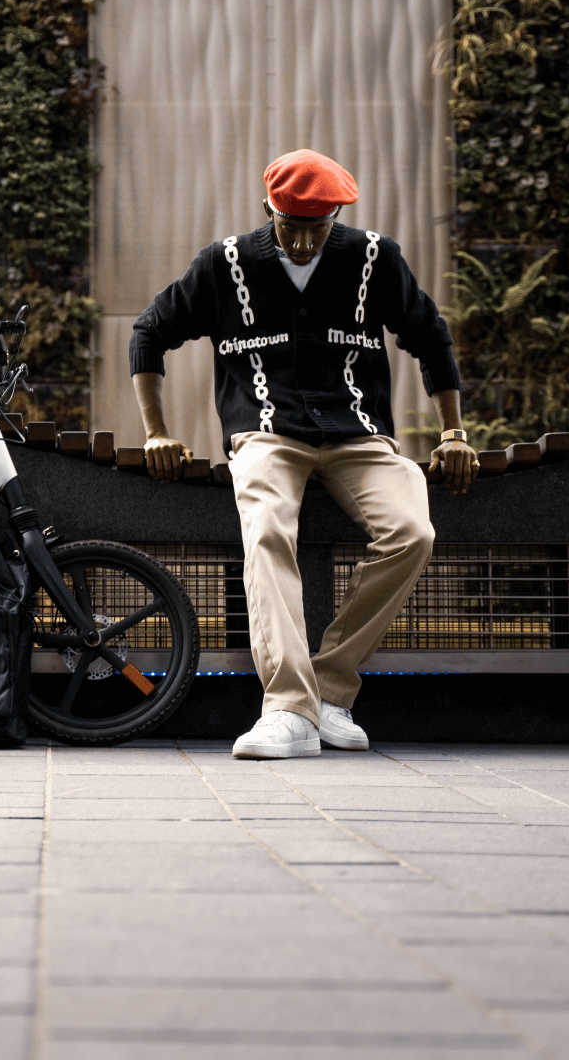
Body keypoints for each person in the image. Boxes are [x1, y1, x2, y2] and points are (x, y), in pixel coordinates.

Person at [130, 150, 478, 759]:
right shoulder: (225, 263)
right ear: (268, 209)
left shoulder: (373, 257)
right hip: (266, 435)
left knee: (412, 532)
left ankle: (330, 689)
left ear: (336, 216)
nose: (302, 241)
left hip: (359, 435)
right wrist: (156, 430)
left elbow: (430, 335)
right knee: (266, 530)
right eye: (290, 225)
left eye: (317, 228)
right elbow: (149, 331)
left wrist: (453, 433)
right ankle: (288, 710)